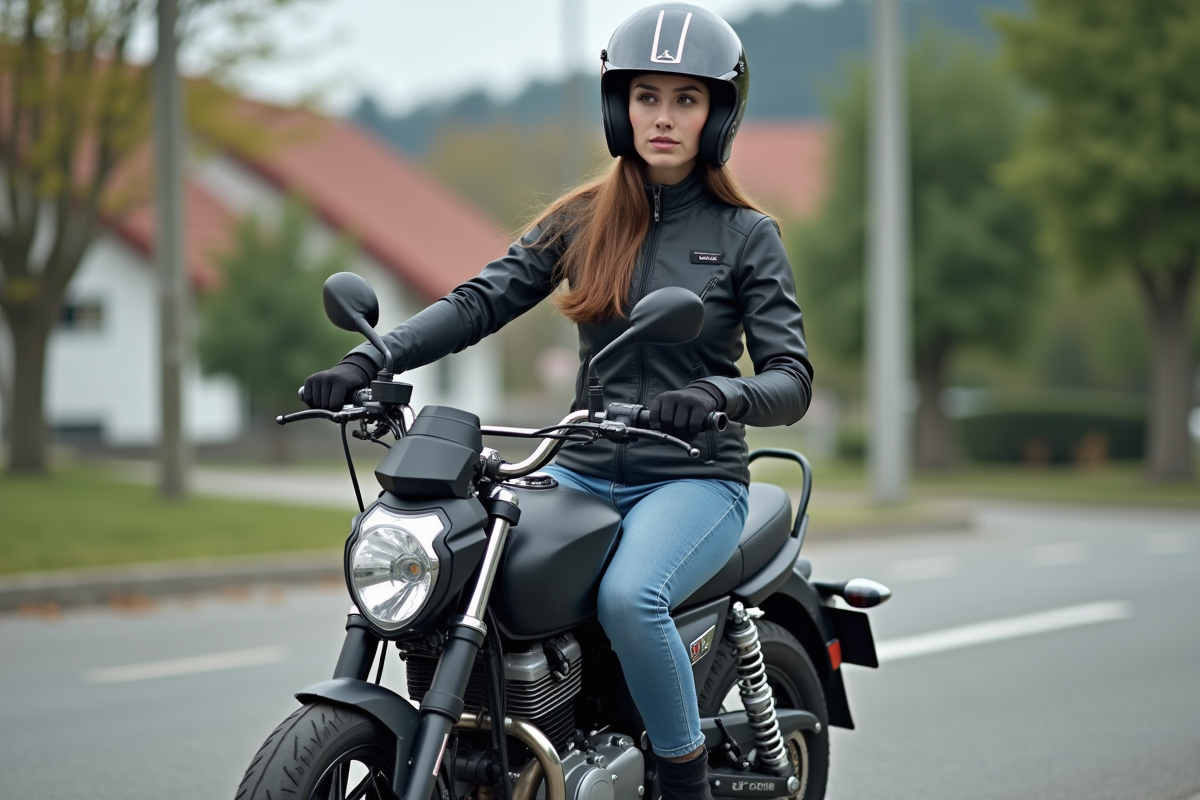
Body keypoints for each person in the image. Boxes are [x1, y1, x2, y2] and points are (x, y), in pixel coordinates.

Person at [304, 5, 812, 799]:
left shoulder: (749, 235)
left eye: (687, 99)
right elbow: (480, 301)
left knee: (629, 598)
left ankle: (681, 780)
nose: (664, 117)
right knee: (470, 570)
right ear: (619, 106)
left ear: (718, 113)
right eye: (647, 96)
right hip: (578, 470)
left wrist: (717, 394)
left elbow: (791, 377)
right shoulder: (582, 219)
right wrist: (374, 355)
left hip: (692, 476)